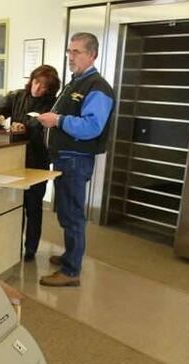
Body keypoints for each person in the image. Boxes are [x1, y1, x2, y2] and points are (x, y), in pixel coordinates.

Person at [36, 32, 114, 287]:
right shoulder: (75, 83)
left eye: (76, 52)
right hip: (64, 158)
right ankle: (71, 256)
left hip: (76, 160)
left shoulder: (97, 87)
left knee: (73, 215)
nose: (71, 56)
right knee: (67, 213)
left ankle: (71, 272)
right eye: (69, 51)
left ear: (92, 54)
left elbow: (92, 126)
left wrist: (57, 120)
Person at [0, 65, 61, 262]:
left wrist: (25, 126)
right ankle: (12, 244)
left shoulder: (53, 103)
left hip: (37, 160)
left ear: (49, 89)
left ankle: (31, 250)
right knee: (13, 205)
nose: (37, 89)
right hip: (13, 160)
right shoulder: (16, 96)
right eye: (36, 83)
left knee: (33, 207)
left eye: (43, 87)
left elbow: (41, 124)